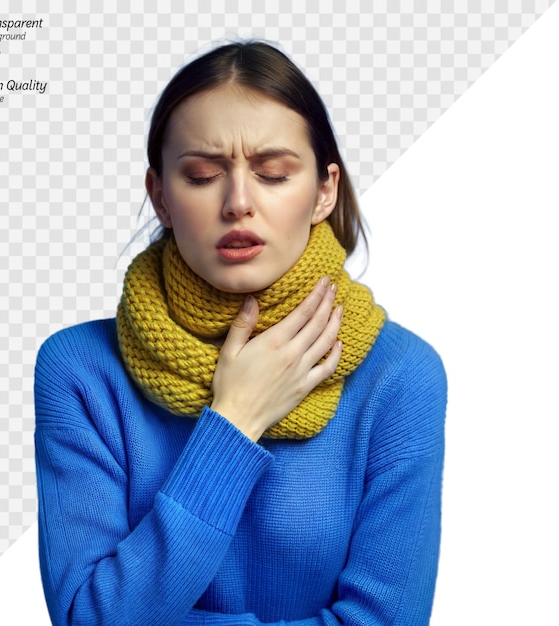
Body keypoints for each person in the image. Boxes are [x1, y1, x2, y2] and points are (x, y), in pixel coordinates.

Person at [34, 41, 447, 625]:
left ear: (323, 191)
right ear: (161, 197)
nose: (238, 202)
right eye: (202, 176)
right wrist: (233, 422)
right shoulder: (79, 371)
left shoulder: (400, 376)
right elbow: (91, 618)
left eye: (273, 174)